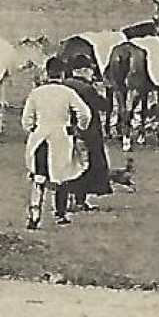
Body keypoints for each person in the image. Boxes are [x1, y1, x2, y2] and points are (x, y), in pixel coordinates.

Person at [20, 56, 92, 229]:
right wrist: (78, 128)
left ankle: (35, 212)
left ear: (46, 72)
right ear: (61, 73)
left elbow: (26, 120)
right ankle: (60, 213)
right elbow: (85, 114)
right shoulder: (67, 93)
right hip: (61, 137)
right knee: (61, 176)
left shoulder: (36, 93)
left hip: (40, 138)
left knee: (39, 176)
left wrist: (33, 129)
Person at [62, 58, 112, 213]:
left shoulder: (63, 85)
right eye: (90, 70)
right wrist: (106, 93)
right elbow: (103, 106)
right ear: (83, 70)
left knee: (66, 165)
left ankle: (64, 200)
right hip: (87, 132)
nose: (92, 73)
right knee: (86, 166)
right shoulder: (87, 88)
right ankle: (79, 200)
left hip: (65, 130)